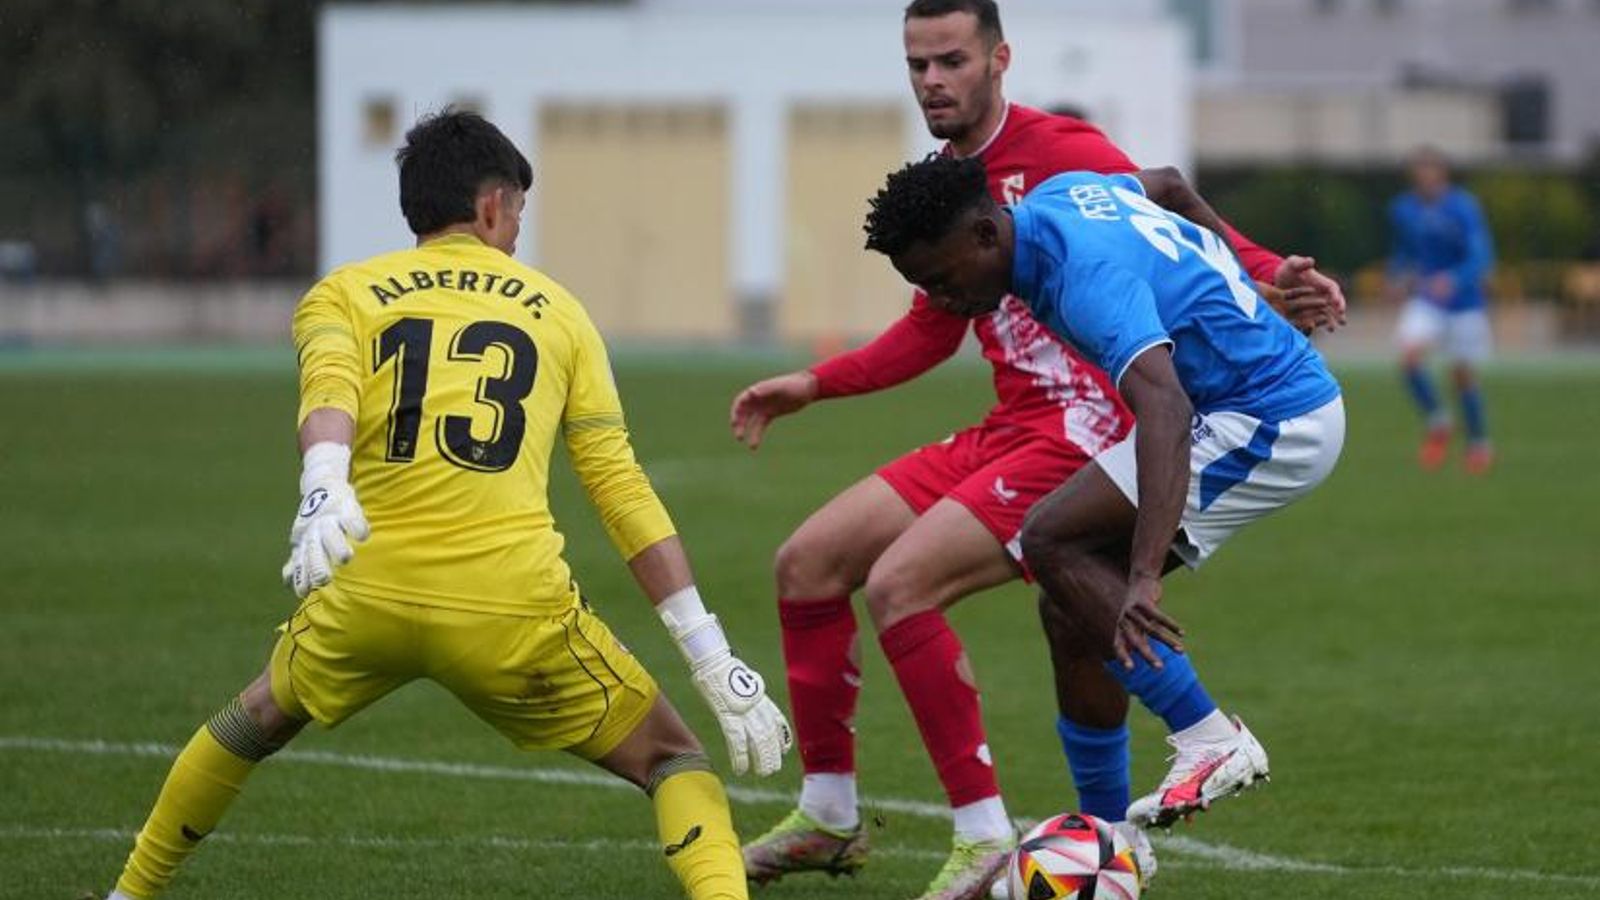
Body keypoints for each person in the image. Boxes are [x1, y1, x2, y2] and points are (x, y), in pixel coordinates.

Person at [730, 1, 1344, 897]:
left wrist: (1259, 271)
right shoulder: (942, 198)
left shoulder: (1061, 157)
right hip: (1010, 423)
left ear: (998, 60)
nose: (933, 81)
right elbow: (933, 329)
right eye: (917, 65)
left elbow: (1159, 213)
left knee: (919, 583)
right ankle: (831, 811)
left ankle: (993, 835)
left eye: (950, 60)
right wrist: (817, 384)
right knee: (810, 562)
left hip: (1092, 422)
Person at [100, 110, 791, 900]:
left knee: (251, 720)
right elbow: (617, 484)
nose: (519, 232)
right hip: (512, 610)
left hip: (369, 591)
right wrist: (707, 650)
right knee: (673, 759)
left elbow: (328, 388)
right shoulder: (559, 311)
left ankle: (130, 893)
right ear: (494, 205)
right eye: (520, 214)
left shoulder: (345, 292)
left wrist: (325, 476)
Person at [864, 154, 1345, 849]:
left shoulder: (1080, 275)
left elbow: (1165, 408)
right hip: (1234, 404)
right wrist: (1253, 285)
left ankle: (1210, 738)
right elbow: (1173, 183)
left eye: (940, 279)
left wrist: (1143, 576)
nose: (941, 299)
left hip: (1270, 420)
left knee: (1050, 539)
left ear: (983, 237)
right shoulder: (1062, 196)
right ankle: (1111, 839)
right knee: (1068, 606)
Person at [1387, 145, 1496, 474]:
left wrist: (1456, 279)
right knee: (1408, 357)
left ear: (1442, 174)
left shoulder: (1463, 207)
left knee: (1462, 376)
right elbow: (1404, 250)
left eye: (1430, 171)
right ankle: (1439, 420)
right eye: (1419, 173)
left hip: (1465, 303)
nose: (1425, 179)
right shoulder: (1404, 209)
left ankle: (1478, 442)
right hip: (1428, 300)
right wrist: (1394, 276)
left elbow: (1481, 256)